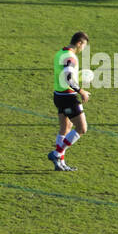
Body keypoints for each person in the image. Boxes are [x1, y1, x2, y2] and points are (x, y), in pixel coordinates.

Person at [49, 31, 90, 171]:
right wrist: (81, 91)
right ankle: (57, 153)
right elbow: (67, 78)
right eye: (84, 45)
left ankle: (60, 163)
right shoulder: (71, 57)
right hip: (68, 97)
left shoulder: (60, 53)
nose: (83, 49)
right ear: (79, 43)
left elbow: (63, 74)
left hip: (58, 95)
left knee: (65, 129)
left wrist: (79, 76)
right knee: (82, 128)